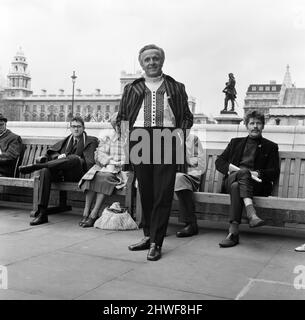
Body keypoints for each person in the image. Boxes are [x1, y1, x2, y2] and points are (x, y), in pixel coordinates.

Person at [116, 44, 193, 261]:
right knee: (146, 192)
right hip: (139, 139)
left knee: (163, 193)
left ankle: (156, 243)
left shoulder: (176, 86)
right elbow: (122, 117)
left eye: (155, 58)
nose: (151, 62)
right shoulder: (132, 88)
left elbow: (187, 116)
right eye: (147, 59)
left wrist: (179, 137)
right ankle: (148, 235)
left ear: (162, 61)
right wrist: (126, 143)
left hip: (167, 138)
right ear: (142, 63)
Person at [215, 110, 280, 248]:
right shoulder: (235, 143)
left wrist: (257, 173)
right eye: (252, 123)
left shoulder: (271, 147)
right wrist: (237, 171)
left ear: (263, 126)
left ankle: (233, 233)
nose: (255, 126)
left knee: (236, 187)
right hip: (232, 178)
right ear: (246, 125)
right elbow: (219, 162)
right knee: (241, 175)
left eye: (258, 123)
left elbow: (274, 172)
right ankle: (252, 215)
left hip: (255, 185)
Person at [19, 116, 98, 226]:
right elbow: (51, 152)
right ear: (70, 128)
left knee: (75, 159)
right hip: (62, 174)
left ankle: (36, 166)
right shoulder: (67, 140)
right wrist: (59, 157)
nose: (76, 129)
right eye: (73, 126)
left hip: (79, 175)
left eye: (79, 127)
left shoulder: (91, 140)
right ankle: (42, 213)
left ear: (83, 128)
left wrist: (74, 159)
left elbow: (90, 162)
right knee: (45, 171)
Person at [78, 113, 127, 228]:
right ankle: (86, 212)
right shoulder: (109, 137)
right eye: (117, 125)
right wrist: (108, 161)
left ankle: (94, 214)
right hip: (106, 167)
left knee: (103, 178)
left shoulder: (129, 139)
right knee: (91, 176)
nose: (119, 128)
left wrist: (119, 163)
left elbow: (131, 158)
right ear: (114, 126)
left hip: (119, 172)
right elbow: (100, 153)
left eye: (121, 125)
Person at [175, 133, 205, 237]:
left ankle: (191, 223)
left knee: (178, 178)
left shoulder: (193, 139)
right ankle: (157, 223)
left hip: (190, 176)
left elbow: (197, 163)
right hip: (170, 175)